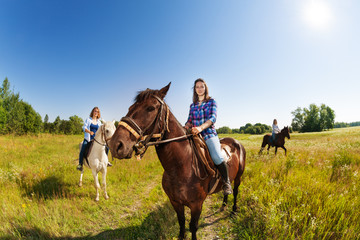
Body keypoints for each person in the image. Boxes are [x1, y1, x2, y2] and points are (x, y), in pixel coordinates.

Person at [184, 78, 232, 195]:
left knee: (216, 157)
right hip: (194, 135)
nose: (199, 89)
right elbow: (189, 120)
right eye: (197, 87)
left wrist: (201, 128)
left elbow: (212, 118)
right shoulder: (192, 105)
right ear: (194, 90)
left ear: (205, 88)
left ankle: (227, 182)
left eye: (202, 86)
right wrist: (186, 126)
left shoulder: (212, 102)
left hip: (208, 134)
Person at [77, 107, 112, 171]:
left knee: (107, 147)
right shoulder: (88, 120)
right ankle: (80, 164)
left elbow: (102, 129)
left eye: (97, 112)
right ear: (93, 112)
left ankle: (106, 161)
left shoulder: (99, 122)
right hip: (88, 139)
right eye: (95, 111)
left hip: (97, 140)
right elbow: (84, 128)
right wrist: (89, 132)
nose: (96, 112)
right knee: (83, 148)